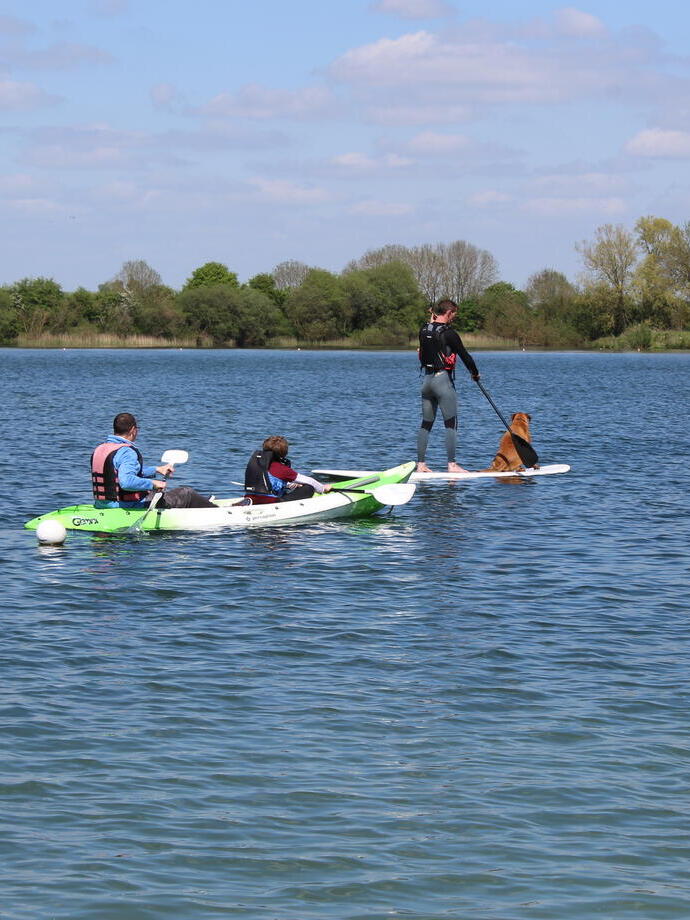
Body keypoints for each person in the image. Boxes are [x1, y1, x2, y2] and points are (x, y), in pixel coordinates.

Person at [91, 412, 215, 509]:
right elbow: (126, 482)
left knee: (160, 492)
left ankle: (202, 505)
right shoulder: (126, 452)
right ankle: (218, 511)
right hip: (126, 506)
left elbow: (117, 474)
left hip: (103, 504)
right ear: (133, 430)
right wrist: (153, 483)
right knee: (186, 493)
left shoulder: (101, 448)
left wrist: (156, 469)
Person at [417, 298, 480, 473]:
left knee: (426, 424)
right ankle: (452, 465)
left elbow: (430, 338)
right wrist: (475, 373)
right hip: (442, 381)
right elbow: (465, 356)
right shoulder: (449, 333)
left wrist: (432, 320)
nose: (454, 318)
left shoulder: (423, 329)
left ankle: (420, 465)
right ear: (449, 312)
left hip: (427, 382)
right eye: (454, 315)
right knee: (451, 424)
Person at [244, 436, 332, 504]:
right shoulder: (281, 469)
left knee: (293, 487)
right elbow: (309, 481)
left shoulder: (258, 464)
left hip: (251, 497)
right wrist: (323, 488)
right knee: (308, 488)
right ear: (284, 453)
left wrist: (291, 485)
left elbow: (268, 482)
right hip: (271, 502)